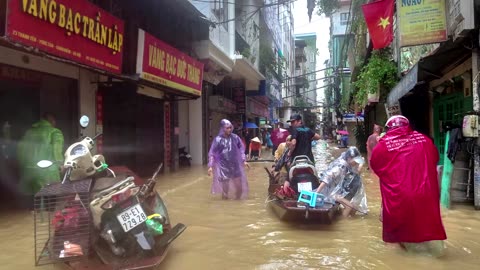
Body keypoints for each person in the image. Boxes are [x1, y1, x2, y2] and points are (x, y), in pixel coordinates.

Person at [370, 115, 447, 256]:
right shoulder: (424, 140)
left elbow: (375, 166)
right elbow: (434, 159)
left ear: (388, 128)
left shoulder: (383, 144)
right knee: (427, 225)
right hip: (426, 193)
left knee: (395, 234)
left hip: (399, 196)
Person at [17, 112, 64, 208]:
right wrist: (61, 164)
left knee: (34, 204)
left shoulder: (29, 132)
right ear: (52, 120)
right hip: (48, 171)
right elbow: (56, 150)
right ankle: (48, 216)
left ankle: (33, 215)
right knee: (50, 202)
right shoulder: (54, 132)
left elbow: (20, 150)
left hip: (30, 172)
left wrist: (23, 166)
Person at [314, 146, 368, 216]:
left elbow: (358, 170)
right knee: (349, 206)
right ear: (349, 158)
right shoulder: (340, 167)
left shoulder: (348, 162)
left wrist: (360, 163)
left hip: (340, 190)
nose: (356, 163)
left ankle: (344, 218)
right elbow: (326, 178)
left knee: (353, 208)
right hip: (332, 192)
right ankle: (343, 222)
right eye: (355, 161)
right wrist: (317, 193)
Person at [207, 119, 249, 200]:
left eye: (230, 127)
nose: (229, 129)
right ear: (223, 128)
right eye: (227, 128)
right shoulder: (218, 139)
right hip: (224, 167)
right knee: (225, 192)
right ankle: (225, 206)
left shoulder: (235, 137)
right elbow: (212, 153)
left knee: (239, 188)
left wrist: (244, 160)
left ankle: (236, 205)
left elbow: (241, 149)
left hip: (235, 166)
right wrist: (210, 166)